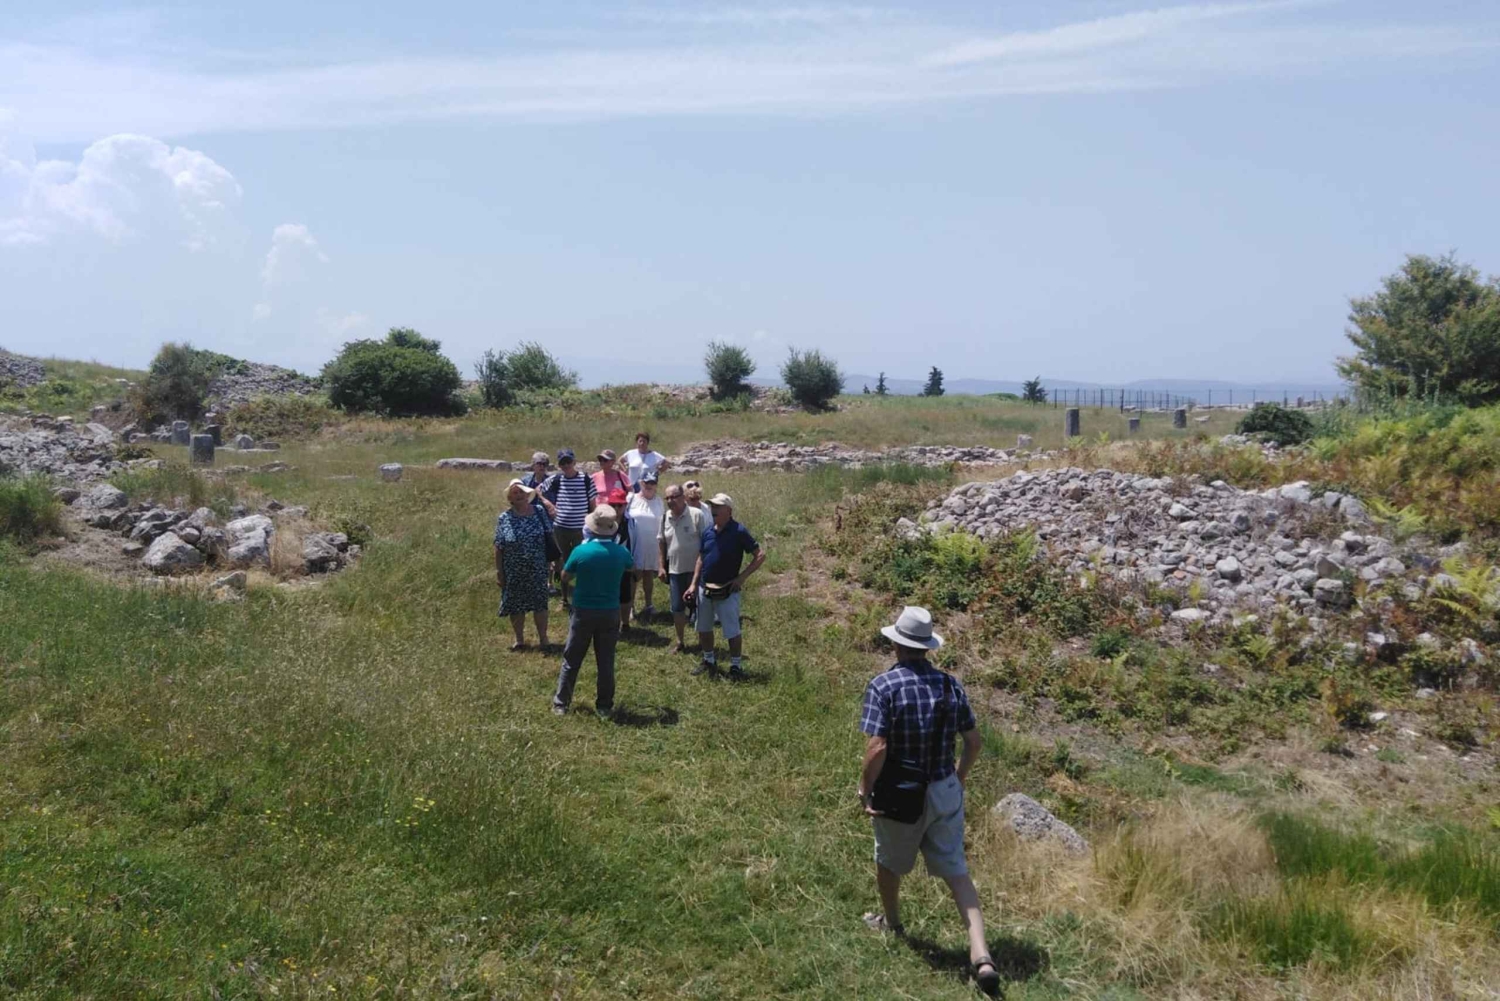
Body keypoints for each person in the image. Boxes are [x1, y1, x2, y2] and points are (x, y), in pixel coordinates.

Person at [856, 607, 999, 997]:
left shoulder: (884, 686)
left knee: (889, 860)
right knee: (957, 871)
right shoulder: (951, 686)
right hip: (944, 787)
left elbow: (878, 746)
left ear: (896, 644)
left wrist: (865, 787)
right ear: (927, 647)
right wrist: (958, 777)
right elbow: (973, 741)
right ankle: (982, 954)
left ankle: (892, 921)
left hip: (901, 791)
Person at [553, 505, 633, 717]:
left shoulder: (581, 551)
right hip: (610, 610)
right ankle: (604, 706)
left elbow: (565, 577)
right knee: (606, 661)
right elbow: (631, 568)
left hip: (583, 611)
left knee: (572, 659)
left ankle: (561, 703)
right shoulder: (621, 552)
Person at [690, 493, 765, 679]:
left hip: (728, 590)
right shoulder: (708, 531)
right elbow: (701, 557)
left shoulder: (739, 531)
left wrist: (741, 578)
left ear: (728, 511)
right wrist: (693, 584)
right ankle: (709, 660)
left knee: (732, 629)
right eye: (712, 506)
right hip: (704, 588)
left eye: (717, 507)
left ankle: (736, 666)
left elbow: (760, 555)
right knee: (704, 627)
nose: (713, 510)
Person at [494, 479, 552, 651]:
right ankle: (519, 639)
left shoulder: (539, 511)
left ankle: (543, 638)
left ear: (528, 494)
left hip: (538, 567)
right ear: (510, 498)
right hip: (513, 569)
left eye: (521, 492)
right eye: (515, 492)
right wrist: (500, 572)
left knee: (540, 603)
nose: (518, 495)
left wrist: (551, 563)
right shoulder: (504, 518)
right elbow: (498, 546)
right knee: (516, 604)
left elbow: (549, 535)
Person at [541, 449, 597, 605]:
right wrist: (548, 504)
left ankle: (582, 596)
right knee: (562, 562)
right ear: (559, 465)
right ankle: (564, 599)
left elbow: (593, 504)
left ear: (574, 462)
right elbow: (538, 490)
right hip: (560, 529)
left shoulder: (586, 479)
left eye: (568, 462)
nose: (566, 465)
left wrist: (593, 526)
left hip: (581, 529)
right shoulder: (556, 479)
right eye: (562, 463)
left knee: (583, 561)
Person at [657, 482, 706, 653]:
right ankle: (680, 641)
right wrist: (661, 566)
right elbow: (661, 542)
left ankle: (703, 642)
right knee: (677, 608)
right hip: (675, 570)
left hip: (696, 570)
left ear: (683, 497)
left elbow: (706, 543)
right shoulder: (664, 517)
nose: (670, 501)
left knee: (701, 607)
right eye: (667, 498)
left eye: (674, 497)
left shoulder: (696, 515)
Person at [626, 474, 664, 619]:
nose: (649, 485)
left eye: (652, 483)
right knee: (634, 575)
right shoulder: (631, 499)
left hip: (652, 543)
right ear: (641, 482)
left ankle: (648, 605)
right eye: (646, 482)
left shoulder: (659, 501)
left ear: (656, 484)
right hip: (635, 543)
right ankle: (630, 606)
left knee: (648, 574)